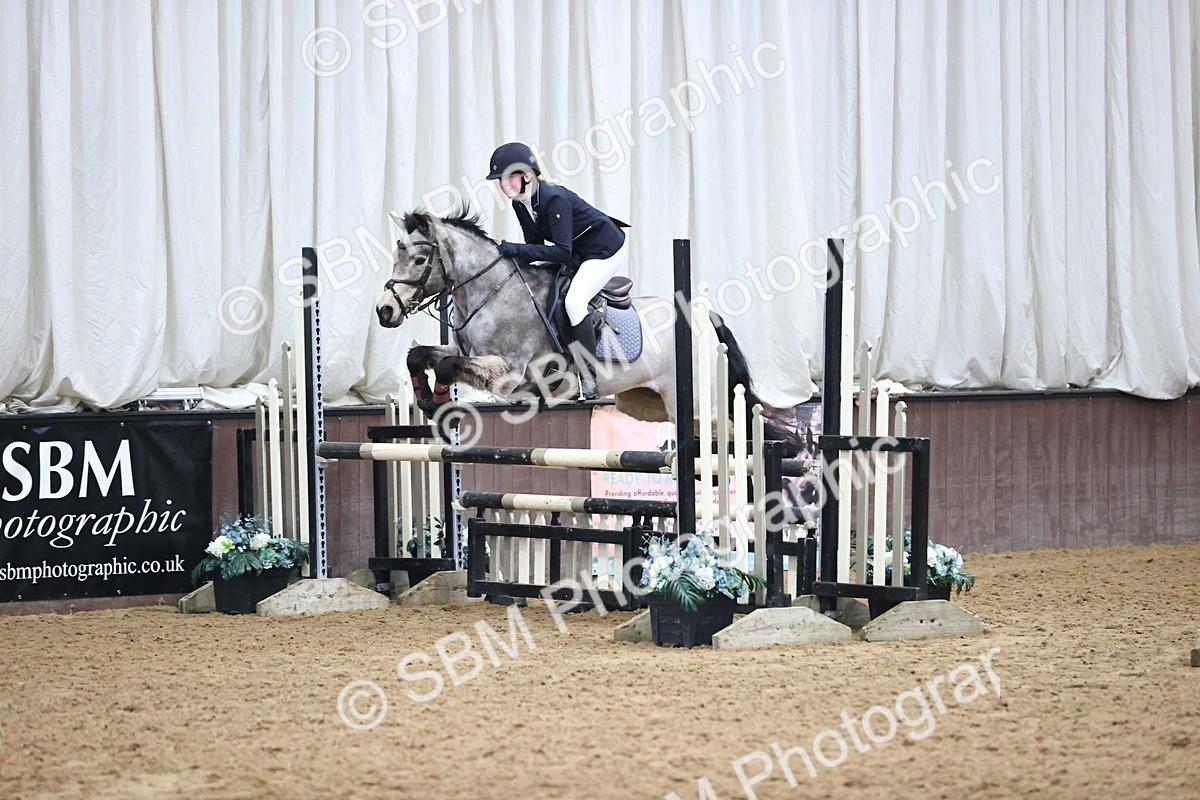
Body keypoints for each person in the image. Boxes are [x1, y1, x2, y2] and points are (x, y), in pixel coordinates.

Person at [487, 142, 628, 400]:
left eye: (507, 178)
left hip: (604, 250)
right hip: (577, 253)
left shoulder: (555, 198)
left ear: (525, 176)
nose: (502, 185)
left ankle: (588, 378)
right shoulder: (521, 203)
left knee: (575, 301)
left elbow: (561, 251)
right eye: (499, 180)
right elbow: (535, 247)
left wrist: (515, 250)